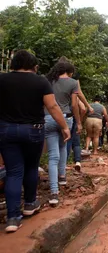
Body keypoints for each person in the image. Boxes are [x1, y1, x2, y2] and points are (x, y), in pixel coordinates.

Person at [0, 50, 70, 233]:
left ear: (13, 64)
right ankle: (30, 204)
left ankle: (13, 218)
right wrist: (64, 126)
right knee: (31, 167)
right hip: (33, 130)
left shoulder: (2, 80)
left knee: (13, 172)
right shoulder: (40, 81)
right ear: (34, 65)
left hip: (7, 131)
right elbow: (52, 106)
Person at [45, 62, 81, 206]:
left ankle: (54, 193)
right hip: (65, 118)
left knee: (53, 156)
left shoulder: (48, 81)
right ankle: (62, 177)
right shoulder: (73, 83)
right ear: (70, 71)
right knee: (63, 146)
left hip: (48, 118)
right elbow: (74, 105)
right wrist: (78, 122)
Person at [57, 57, 93, 171]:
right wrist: (79, 121)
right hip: (69, 115)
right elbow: (80, 105)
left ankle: (57, 166)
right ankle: (70, 163)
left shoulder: (51, 79)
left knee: (56, 143)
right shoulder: (73, 82)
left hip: (52, 114)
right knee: (70, 140)